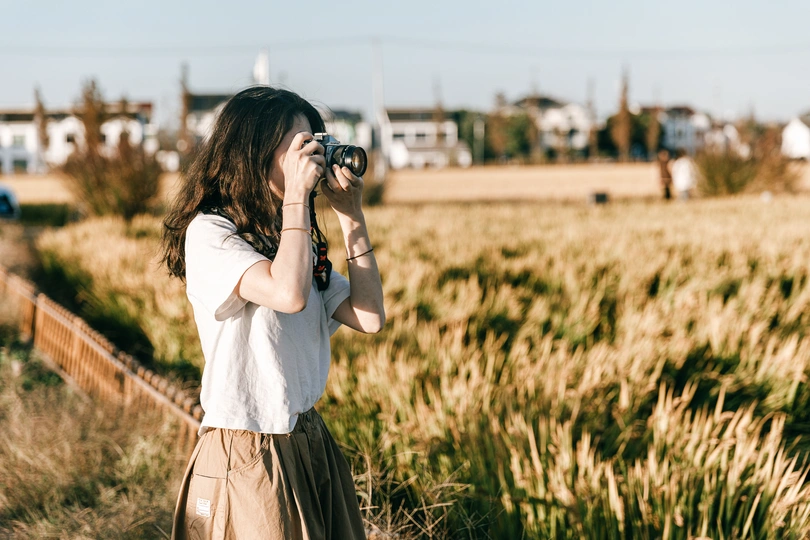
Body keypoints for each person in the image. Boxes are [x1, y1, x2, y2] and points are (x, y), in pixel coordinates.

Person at [160, 86, 385, 539]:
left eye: (314, 143)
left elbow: (369, 315)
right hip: (248, 447)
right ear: (254, 151)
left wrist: (351, 217)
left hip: (308, 438)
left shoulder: (291, 238)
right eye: (299, 145)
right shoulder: (211, 232)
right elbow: (288, 292)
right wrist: (297, 201)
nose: (312, 158)